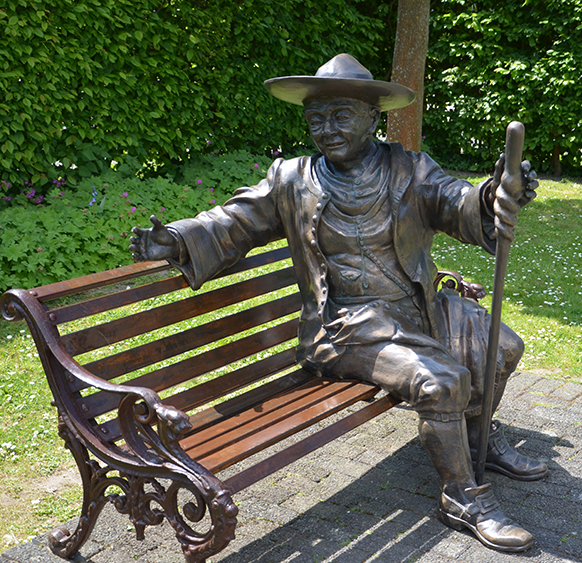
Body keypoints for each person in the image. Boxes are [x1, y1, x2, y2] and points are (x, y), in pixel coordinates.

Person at [130, 54, 544, 552]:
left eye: (342, 116)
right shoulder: (291, 177)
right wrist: (176, 239)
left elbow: (456, 201)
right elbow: (234, 220)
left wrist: (497, 193)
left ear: (373, 117)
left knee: (502, 347)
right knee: (441, 381)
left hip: (419, 309)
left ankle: (479, 439)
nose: (326, 129)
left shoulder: (408, 168)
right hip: (344, 326)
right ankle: (463, 496)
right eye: (316, 119)